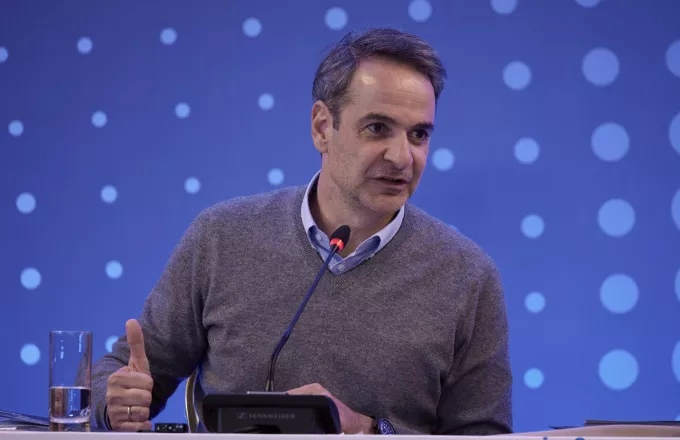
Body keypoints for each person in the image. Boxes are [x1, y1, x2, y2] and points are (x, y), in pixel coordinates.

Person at [91, 27, 513, 435]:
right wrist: (113, 403)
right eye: (377, 128)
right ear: (322, 127)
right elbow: (119, 375)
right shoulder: (222, 237)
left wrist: (370, 432)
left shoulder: (468, 276)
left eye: (418, 134)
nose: (402, 157)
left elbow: (483, 437)